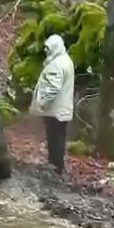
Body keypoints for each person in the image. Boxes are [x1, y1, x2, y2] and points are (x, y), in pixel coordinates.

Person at [30, 34, 75, 173]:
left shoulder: (57, 64)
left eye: (48, 48)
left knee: (54, 138)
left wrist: (41, 103)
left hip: (54, 109)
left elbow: (52, 88)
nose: (46, 50)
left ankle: (55, 165)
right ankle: (57, 165)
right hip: (63, 108)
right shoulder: (66, 60)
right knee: (59, 137)